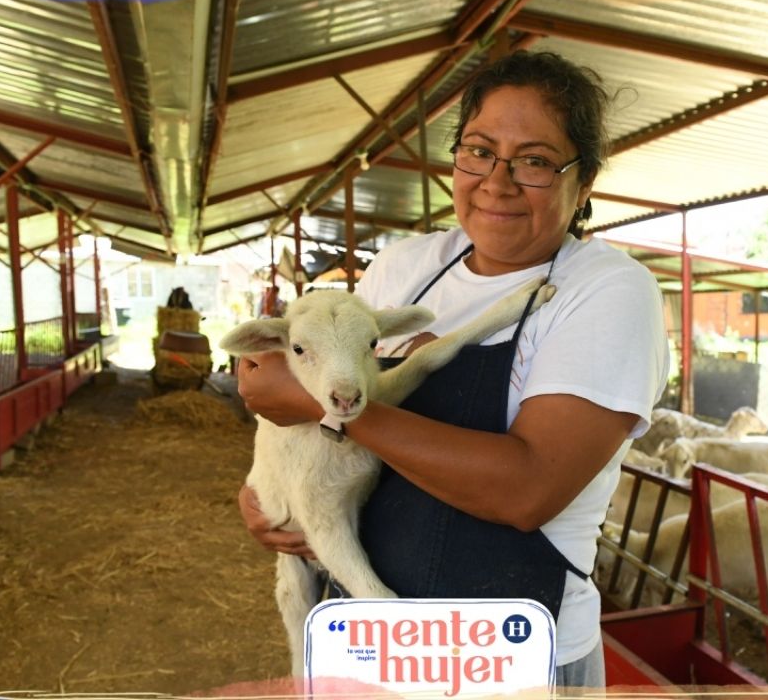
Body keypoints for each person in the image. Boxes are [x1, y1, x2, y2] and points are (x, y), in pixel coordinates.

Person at [235, 50, 669, 688]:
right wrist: (269, 493)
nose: (498, 181)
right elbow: (313, 386)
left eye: (536, 161)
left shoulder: (606, 291)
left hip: (506, 654)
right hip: (363, 642)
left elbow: (525, 490)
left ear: (584, 183)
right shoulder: (404, 267)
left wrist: (315, 407)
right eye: (479, 150)